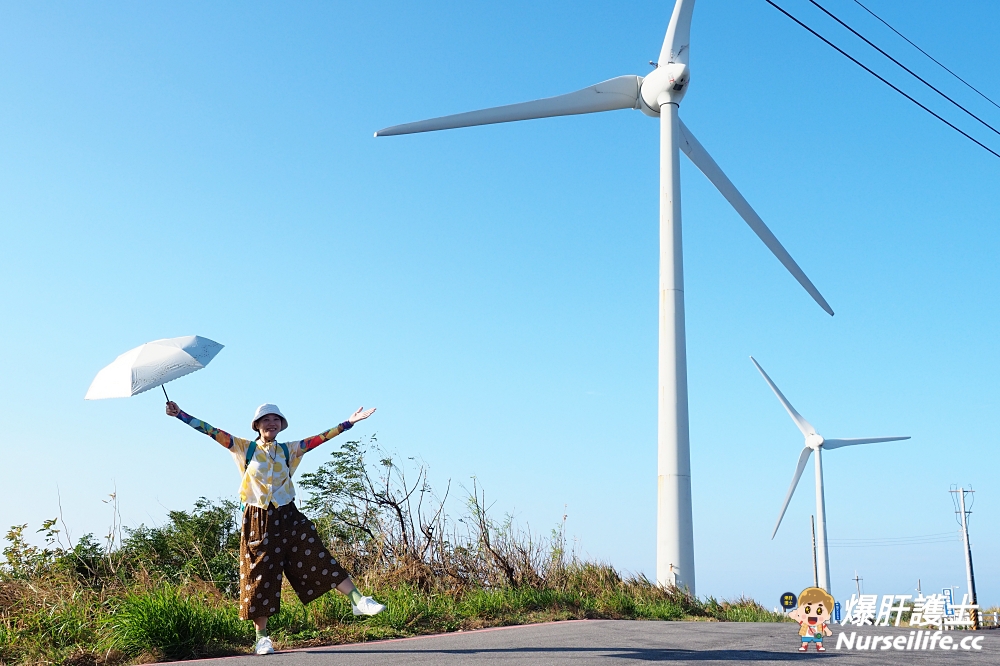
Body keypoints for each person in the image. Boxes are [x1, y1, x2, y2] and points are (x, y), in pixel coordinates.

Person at [165, 400, 384, 655]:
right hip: (258, 517)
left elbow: (319, 439)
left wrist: (348, 423)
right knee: (261, 576)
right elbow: (211, 431)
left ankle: (358, 600)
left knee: (315, 552)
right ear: (257, 425)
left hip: (288, 514)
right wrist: (180, 414)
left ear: (281, 425)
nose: (271, 423)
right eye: (266, 420)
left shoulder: (289, 449)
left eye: (276, 420)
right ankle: (262, 637)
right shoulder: (243, 448)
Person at [788, 587, 835, 652]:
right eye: (807, 610)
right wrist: (795, 616)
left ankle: (819, 645)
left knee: (818, 639)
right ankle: (804, 646)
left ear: (827, 615)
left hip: (817, 630)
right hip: (807, 630)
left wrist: (828, 631)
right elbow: (800, 620)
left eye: (819, 611)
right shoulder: (805, 623)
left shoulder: (820, 624)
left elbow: (824, 626)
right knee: (805, 638)